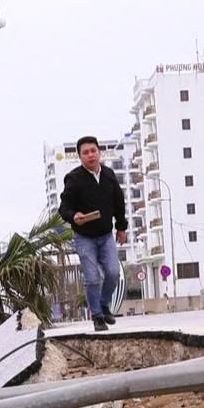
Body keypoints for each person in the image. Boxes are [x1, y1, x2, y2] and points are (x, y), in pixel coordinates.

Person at [57, 136, 128, 331]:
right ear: (80, 156)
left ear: (99, 152)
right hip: (84, 237)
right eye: (85, 152)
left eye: (93, 151)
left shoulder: (109, 175)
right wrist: (74, 216)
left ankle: (104, 305)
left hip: (106, 235)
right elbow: (64, 207)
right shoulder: (74, 178)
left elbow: (119, 203)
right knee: (92, 277)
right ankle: (97, 317)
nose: (90, 155)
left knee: (113, 273)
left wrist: (121, 228)